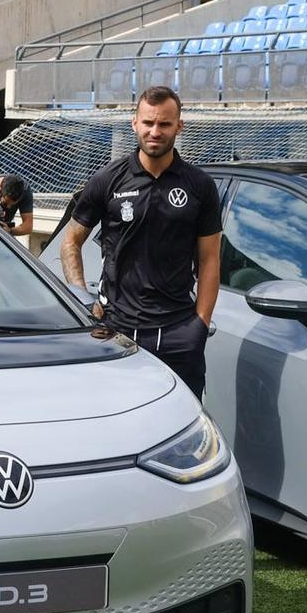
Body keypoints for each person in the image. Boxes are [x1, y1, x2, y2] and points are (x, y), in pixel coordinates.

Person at [56, 86, 221, 397]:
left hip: (178, 331)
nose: (155, 131)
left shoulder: (200, 185)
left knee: (182, 418)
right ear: (135, 124)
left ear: (179, 126)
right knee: (111, 418)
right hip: (115, 328)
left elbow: (211, 257)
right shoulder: (107, 180)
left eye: (164, 124)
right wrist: (81, 298)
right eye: (148, 123)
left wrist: (200, 323)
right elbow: (71, 242)